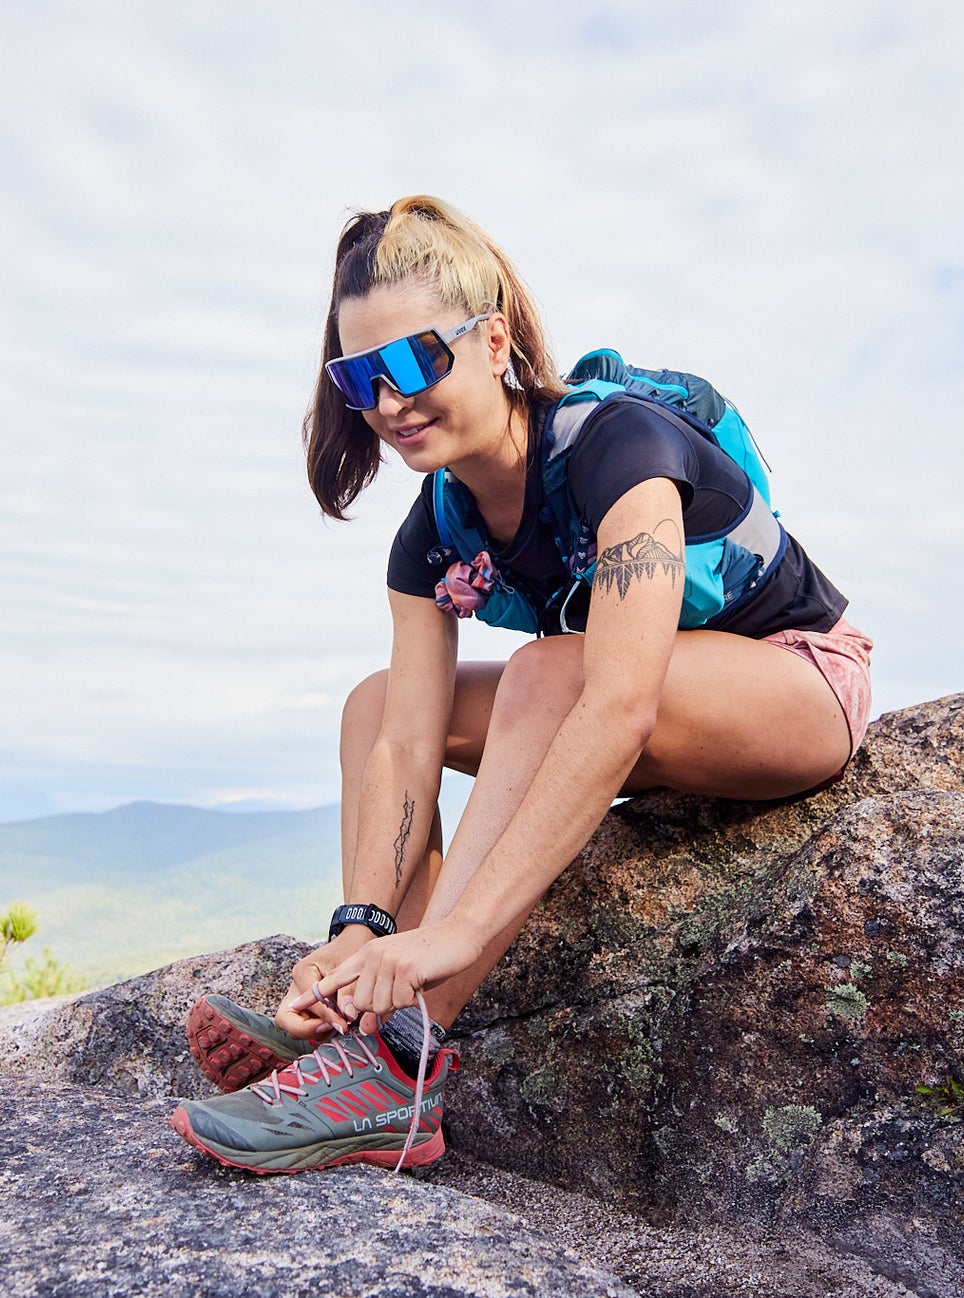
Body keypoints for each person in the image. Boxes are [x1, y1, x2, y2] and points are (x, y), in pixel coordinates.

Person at [170, 196, 872, 1174]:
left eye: (414, 360)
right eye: (358, 376)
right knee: (371, 701)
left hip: (795, 689)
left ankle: (400, 1058)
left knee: (552, 669)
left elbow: (617, 702)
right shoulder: (432, 532)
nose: (387, 401)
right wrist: (361, 928)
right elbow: (404, 743)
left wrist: (453, 933)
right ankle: (363, 1014)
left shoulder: (615, 448)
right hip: (662, 718)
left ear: (491, 340)